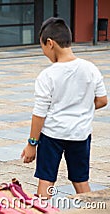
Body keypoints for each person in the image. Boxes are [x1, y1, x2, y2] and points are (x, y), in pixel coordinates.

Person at [21, 17, 108, 199]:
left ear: (50, 43)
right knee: (81, 181)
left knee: (46, 180)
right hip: (80, 134)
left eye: (43, 48)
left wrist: (32, 144)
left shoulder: (48, 75)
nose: (44, 52)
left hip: (52, 135)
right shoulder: (90, 69)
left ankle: (42, 210)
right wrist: (82, 107)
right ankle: (91, 211)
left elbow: (39, 114)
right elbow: (102, 100)